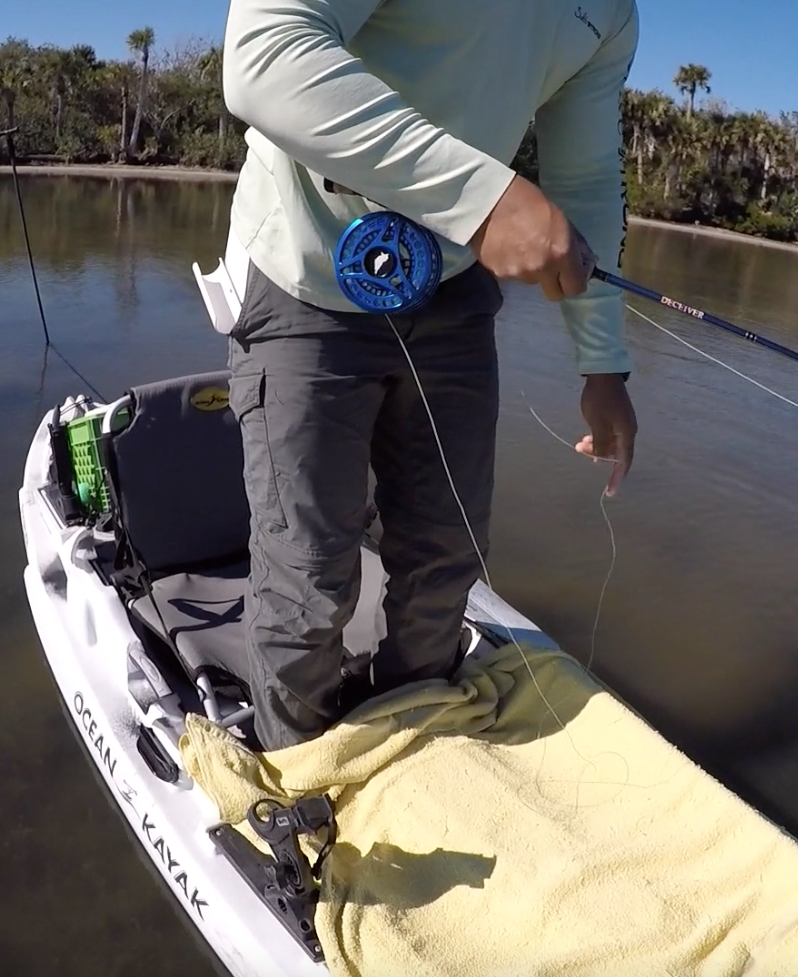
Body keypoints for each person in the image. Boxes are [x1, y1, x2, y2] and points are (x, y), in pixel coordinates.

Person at [220, 0, 640, 750]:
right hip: (302, 270)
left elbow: (584, 175)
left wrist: (602, 362)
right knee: (308, 579)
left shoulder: (610, 13)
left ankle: (409, 740)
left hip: (451, 289)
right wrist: (483, 200)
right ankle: (295, 774)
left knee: (447, 561)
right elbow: (264, 52)